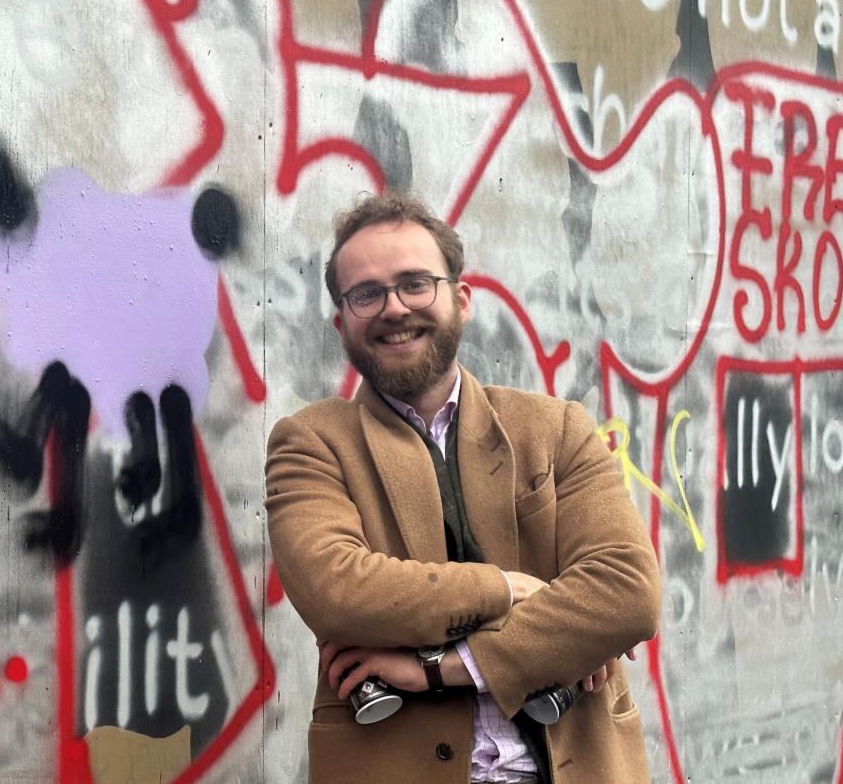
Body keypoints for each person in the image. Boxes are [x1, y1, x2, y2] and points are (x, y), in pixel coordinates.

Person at [265, 192, 661, 783]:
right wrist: (510, 591)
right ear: (341, 322)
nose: (394, 308)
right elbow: (338, 592)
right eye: (366, 294)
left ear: (461, 299)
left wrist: (440, 667)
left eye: (415, 284)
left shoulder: (556, 428)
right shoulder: (310, 444)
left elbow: (629, 593)